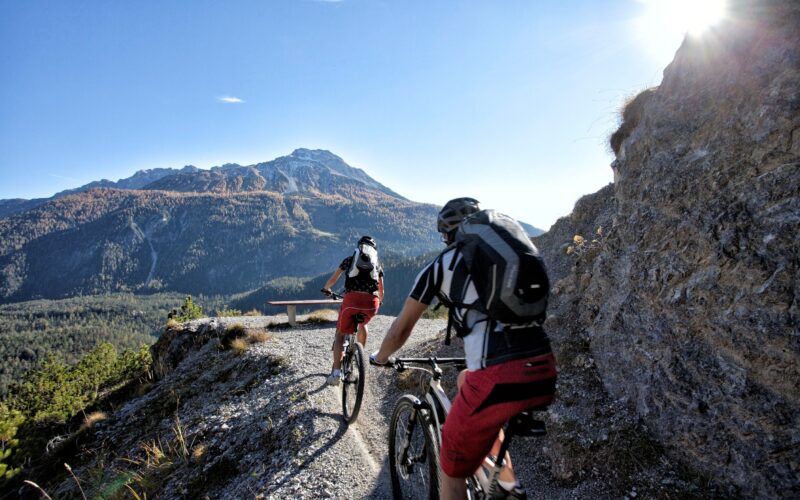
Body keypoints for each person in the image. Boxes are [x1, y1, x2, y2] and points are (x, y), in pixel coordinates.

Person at [370, 198, 557, 500]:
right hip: (544, 367)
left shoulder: (442, 264)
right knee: (464, 380)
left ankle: (501, 488)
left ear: (446, 234)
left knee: (451, 466)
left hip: (498, 376)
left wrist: (380, 358)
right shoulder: (507, 255)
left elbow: (401, 328)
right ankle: (505, 488)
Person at [322, 235, 385, 386]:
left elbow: (334, 278)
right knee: (363, 324)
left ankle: (336, 374)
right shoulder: (377, 264)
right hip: (371, 303)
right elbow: (381, 290)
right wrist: (379, 301)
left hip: (351, 301)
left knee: (340, 334)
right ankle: (359, 355)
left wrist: (327, 288)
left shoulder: (349, 260)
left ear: (359, 247)